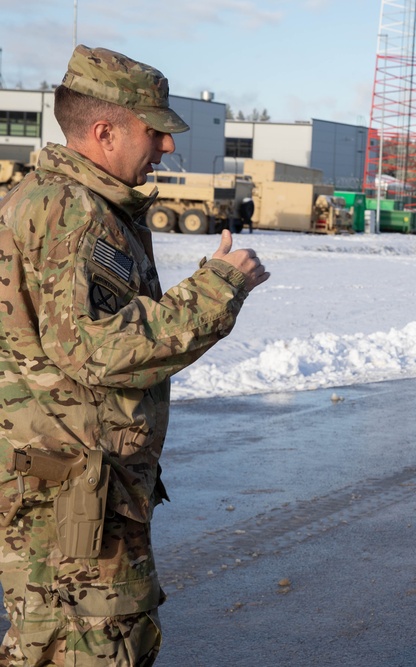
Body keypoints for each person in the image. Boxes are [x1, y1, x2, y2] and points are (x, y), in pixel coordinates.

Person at [0, 45, 269, 665]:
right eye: (154, 132)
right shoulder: (72, 211)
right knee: (93, 646)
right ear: (103, 131)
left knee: (56, 643)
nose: (167, 148)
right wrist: (219, 287)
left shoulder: (55, 200)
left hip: (66, 485)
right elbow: (98, 349)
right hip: (72, 500)